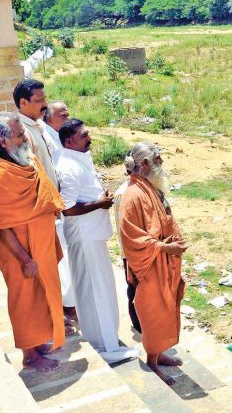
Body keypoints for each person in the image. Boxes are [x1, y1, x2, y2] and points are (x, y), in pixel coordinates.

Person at [0, 112, 65, 372]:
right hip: (17, 250)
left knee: (41, 294)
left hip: (40, 241)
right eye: (19, 135)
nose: (25, 137)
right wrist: (25, 259)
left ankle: (39, 341)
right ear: (4, 142)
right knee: (25, 299)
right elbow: (2, 226)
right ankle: (29, 354)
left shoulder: (23, 159)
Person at [57, 119, 139, 363]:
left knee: (97, 291)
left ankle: (105, 342)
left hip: (92, 236)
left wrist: (100, 198)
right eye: (84, 135)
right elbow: (67, 208)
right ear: (70, 140)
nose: (89, 137)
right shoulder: (69, 167)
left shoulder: (80, 158)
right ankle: (107, 347)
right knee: (97, 293)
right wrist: (100, 204)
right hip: (85, 238)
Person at [119, 142, 188, 384]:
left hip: (164, 262)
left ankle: (159, 355)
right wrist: (164, 247)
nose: (162, 162)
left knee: (167, 308)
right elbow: (131, 236)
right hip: (149, 264)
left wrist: (176, 239)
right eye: (157, 158)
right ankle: (152, 361)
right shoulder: (133, 194)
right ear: (145, 163)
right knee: (153, 314)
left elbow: (165, 219)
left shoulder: (151, 188)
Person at [12, 80, 76, 334]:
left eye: (44, 99)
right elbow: (29, 173)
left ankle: (63, 309)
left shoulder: (38, 126)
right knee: (48, 266)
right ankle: (53, 316)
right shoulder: (21, 131)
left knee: (59, 263)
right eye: (38, 101)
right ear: (23, 103)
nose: (44, 105)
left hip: (52, 205)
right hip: (41, 210)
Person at [42, 100, 77, 324]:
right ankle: (68, 305)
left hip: (65, 202)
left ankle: (71, 302)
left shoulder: (60, 135)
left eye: (67, 114)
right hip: (57, 206)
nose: (66, 117)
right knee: (63, 259)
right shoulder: (46, 136)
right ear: (49, 118)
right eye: (61, 115)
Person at [112, 152, 140, 332]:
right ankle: (140, 328)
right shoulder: (125, 193)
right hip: (133, 253)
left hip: (142, 251)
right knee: (136, 290)